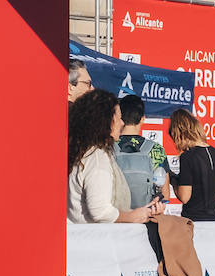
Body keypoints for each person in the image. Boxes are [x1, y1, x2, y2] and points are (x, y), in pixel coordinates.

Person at [67, 89, 164, 224]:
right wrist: (132, 217)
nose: (122, 123)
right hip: (96, 239)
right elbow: (100, 211)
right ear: (107, 121)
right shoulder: (96, 157)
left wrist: (142, 212)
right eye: (119, 118)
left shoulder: (85, 151)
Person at [168, 109, 215, 222]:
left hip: (192, 221)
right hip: (213, 221)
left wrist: (172, 179)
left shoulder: (187, 157)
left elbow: (184, 197)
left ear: (180, 133)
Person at [114, 94, 172, 206]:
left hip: (116, 217)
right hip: (145, 217)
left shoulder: (108, 147)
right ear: (142, 119)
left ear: (120, 118)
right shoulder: (156, 150)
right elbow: (165, 194)